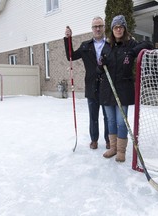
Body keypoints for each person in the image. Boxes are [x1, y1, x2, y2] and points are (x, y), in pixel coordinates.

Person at [98, 15, 154, 162]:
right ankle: (113, 148)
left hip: (122, 89)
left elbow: (149, 44)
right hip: (108, 89)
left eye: (120, 27)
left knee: (121, 121)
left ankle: (121, 150)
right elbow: (100, 70)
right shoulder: (106, 45)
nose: (118, 29)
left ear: (124, 29)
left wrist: (133, 52)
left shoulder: (130, 44)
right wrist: (100, 63)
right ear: (112, 29)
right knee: (110, 120)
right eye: (115, 27)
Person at [64, 16, 110, 150]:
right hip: (91, 86)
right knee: (93, 116)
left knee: (107, 116)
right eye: (95, 26)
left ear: (104, 27)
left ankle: (108, 140)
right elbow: (70, 55)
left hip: (107, 86)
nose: (98, 28)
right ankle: (94, 139)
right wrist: (68, 39)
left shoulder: (110, 44)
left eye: (100, 26)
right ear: (92, 29)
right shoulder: (86, 46)